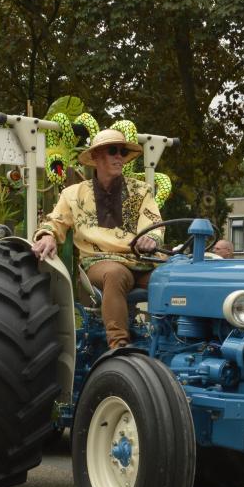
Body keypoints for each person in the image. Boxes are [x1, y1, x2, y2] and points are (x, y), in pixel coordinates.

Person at [32, 128, 163, 349]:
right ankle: (119, 347)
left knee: (174, 278)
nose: (119, 157)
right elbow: (55, 222)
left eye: (123, 152)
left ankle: (177, 342)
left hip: (141, 261)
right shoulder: (73, 194)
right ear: (95, 157)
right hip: (100, 262)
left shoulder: (141, 190)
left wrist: (151, 238)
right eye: (113, 151)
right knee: (115, 274)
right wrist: (47, 235)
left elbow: (153, 223)